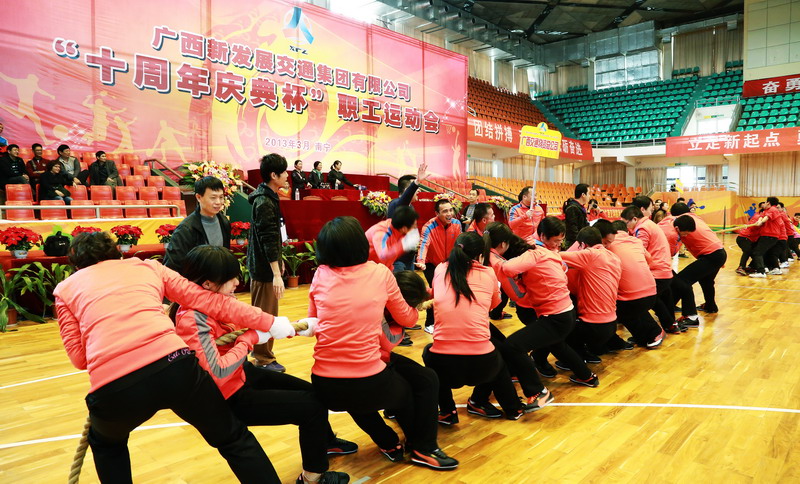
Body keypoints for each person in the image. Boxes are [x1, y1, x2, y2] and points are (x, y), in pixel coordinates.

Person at [54, 231, 291, 483]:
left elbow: (79, 359)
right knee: (233, 439)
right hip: (175, 368)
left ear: (76, 266)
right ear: (118, 254)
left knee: (107, 446)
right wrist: (269, 321)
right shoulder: (147, 267)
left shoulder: (65, 290)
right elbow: (206, 300)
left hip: (116, 386)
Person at [173, 245, 354, 484]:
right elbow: (218, 371)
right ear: (207, 284)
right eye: (230, 278)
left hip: (242, 373)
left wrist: (291, 329)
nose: (237, 282)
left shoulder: (216, 301)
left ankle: (324, 442)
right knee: (311, 408)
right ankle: (312, 477)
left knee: (313, 392)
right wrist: (248, 340)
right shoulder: (192, 319)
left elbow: (253, 322)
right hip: (228, 395)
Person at [308, 216, 458, 470]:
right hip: (368, 378)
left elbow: (313, 322)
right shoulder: (379, 272)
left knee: (357, 395)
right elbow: (407, 318)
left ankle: (388, 441)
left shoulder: (320, 274)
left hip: (324, 381)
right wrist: (413, 309)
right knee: (415, 386)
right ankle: (423, 447)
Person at [423, 231, 537, 422]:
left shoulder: (440, 269)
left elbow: (437, 295)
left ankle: (447, 411)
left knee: (428, 352)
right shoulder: (488, 272)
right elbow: (493, 305)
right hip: (481, 366)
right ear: (481, 256)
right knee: (499, 353)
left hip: (444, 365)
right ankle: (512, 408)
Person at [501, 217, 600, 387]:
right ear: (542, 236)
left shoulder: (540, 252)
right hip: (561, 312)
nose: (558, 245)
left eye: (561, 241)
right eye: (555, 241)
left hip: (555, 314)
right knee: (556, 344)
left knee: (514, 345)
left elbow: (507, 268)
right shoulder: (541, 251)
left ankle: (536, 389)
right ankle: (587, 376)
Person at [247, 154, 289, 372]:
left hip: (267, 267)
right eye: (284, 172)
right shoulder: (264, 201)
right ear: (274, 175)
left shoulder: (269, 197)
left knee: (266, 314)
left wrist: (278, 262)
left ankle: (263, 355)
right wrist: (276, 274)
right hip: (264, 270)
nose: (287, 175)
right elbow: (268, 239)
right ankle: (263, 358)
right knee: (264, 315)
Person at [559, 227, 622, 361]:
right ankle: (590, 352)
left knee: (557, 327)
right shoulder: (614, 257)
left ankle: (576, 358)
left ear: (582, 245)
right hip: (612, 325)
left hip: (593, 326)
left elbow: (555, 256)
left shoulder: (589, 255)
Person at [622, 200, 682, 334]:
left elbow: (638, 252)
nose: (626, 227)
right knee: (665, 297)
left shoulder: (642, 228)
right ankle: (671, 324)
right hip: (664, 269)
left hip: (656, 270)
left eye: (626, 223)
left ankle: (660, 329)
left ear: (634, 219)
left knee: (649, 299)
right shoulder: (649, 224)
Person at [164, 176, 231, 273]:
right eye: (213, 198)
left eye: (221, 197)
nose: (218, 202)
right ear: (199, 197)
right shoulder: (186, 228)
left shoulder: (224, 222)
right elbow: (172, 266)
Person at [417, 199, 463, 332]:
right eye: (445, 211)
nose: (449, 214)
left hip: (449, 263)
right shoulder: (429, 226)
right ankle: (429, 323)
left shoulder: (457, 224)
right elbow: (424, 243)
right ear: (437, 213)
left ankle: (448, 319)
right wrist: (421, 260)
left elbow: (460, 243)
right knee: (435, 291)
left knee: (452, 290)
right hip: (431, 264)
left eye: (451, 210)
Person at [671, 211, 727, 316]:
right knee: (706, 281)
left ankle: (670, 307)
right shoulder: (695, 218)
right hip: (719, 252)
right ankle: (710, 306)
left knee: (682, 280)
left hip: (712, 255)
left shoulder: (680, 224)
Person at [387, 162, 428, 272]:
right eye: (416, 188)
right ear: (407, 190)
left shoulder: (411, 207)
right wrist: (416, 182)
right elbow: (403, 202)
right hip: (398, 260)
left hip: (409, 258)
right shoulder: (396, 203)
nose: (419, 190)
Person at [365, 205, 420, 269]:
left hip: (385, 266)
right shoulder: (381, 233)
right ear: (404, 228)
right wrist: (403, 244)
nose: (415, 228)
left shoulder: (399, 227)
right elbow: (383, 255)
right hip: (368, 267)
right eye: (414, 226)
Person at [749, 197, 784, 278]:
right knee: (766, 253)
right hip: (768, 235)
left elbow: (766, 218)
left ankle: (761, 272)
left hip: (770, 235)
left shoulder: (773, 209)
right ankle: (769, 268)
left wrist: (761, 222)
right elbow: (762, 216)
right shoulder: (767, 210)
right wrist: (759, 221)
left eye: (765, 202)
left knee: (757, 252)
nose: (764, 204)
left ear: (768, 203)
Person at [563, 183, 590, 249]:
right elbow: (573, 229)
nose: (589, 196)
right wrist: (580, 242)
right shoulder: (572, 208)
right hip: (574, 244)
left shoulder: (580, 207)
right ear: (583, 195)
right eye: (589, 193)